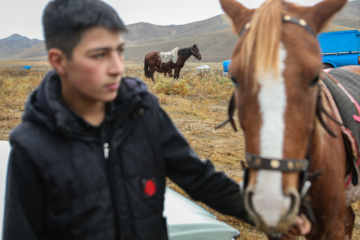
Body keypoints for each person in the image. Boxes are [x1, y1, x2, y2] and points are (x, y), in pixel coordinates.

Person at [2, 0, 310, 239]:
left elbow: (199, 178)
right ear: (59, 61)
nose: (116, 67)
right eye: (99, 55)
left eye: (120, 51)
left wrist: (266, 213)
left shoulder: (142, 112)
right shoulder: (31, 148)